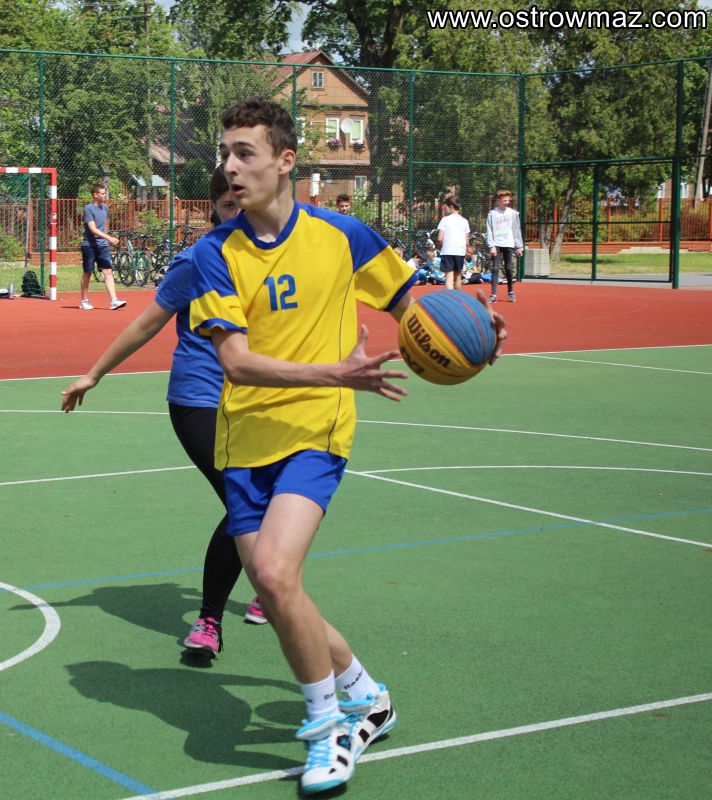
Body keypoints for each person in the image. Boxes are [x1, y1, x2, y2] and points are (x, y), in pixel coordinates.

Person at [188, 98, 505, 794]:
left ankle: (328, 727)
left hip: (317, 432)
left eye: (245, 152)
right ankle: (366, 693)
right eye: (225, 153)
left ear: (285, 161)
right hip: (245, 438)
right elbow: (235, 363)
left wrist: (476, 328)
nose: (231, 166)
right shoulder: (215, 254)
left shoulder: (341, 235)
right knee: (279, 590)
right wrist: (337, 370)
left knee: (274, 575)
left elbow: (414, 307)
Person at [61, 166, 266, 659]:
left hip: (257, 399)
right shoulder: (198, 259)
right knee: (244, 499)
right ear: (213, 208)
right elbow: (147, 324)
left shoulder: (275, 259)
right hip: (199, 397)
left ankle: (267, 581)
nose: (237, 214)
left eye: (244, 204)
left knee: (269, 500)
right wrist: (94, 374)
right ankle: (210, 620)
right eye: (227, 205)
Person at [79, 184, 127, 311]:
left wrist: (107, 239)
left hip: (103, 246)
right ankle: (84, 301)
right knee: (87, 272)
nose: (105, 195)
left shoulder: (105, 207)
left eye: (105, 193)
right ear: (95, 195)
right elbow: (93, 229)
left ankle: (114, 301)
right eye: (102, 193)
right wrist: (109, 238)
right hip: (89, 246)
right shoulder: (88, 209)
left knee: (108, 272)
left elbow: (103, 227)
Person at [485, 188, 523, 302]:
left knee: (509, 268)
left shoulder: (512, 213)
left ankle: (510, 292)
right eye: (504, 200)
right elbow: (489, 230)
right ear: (499, 200)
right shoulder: (492, 214)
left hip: (509, 244)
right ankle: (493, 295)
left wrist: (518, 247)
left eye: (508, 200)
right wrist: (492, 246)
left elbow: (516, 230)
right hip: (497, 244)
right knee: (495, 268)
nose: (506, 202)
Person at [435, 197, 470, 290]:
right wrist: (466, 251)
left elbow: (440, 238)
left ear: (451, 207)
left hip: (448, 251)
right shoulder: (465, 221)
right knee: (458, 277)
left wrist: (439, 246)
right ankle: (458, 297)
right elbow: (467, 241)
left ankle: (449, 297)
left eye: (446, 207)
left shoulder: (445, 220)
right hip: (460, 251)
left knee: (449, 277)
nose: (445, 209)